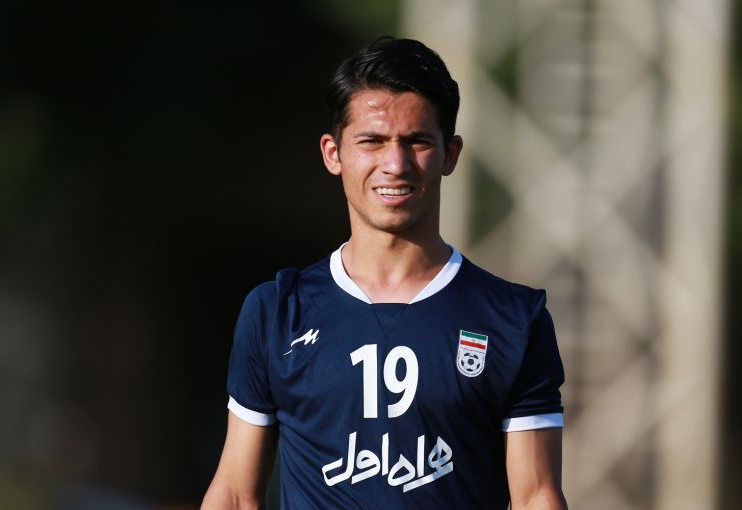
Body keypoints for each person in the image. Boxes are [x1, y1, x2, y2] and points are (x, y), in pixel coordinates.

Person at [202, 37, 567, 510]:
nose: (395, 165)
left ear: (450, 154)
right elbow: (234, 494)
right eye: (371, 141)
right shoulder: (276, 311)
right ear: (333, 153)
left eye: (417, 142)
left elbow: (536, 496)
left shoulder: (514, 319)